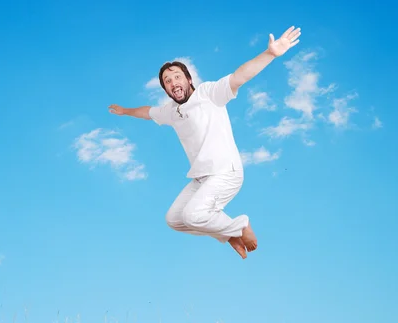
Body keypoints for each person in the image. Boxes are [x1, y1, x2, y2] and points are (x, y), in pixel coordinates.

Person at [108, 26, 301, 259]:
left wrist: (270, 54)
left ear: (189, 80)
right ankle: (229, 235)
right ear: (166, 89)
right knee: (175, 220)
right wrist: (124, 111)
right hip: (202, 177)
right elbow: (146, 112)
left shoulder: (209, 93)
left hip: (225, 172)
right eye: (167, 81)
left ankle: (240, 226)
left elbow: (240, 76)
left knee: (193, 215)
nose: (173, 82)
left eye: (177, 77)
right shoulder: (171, 111)